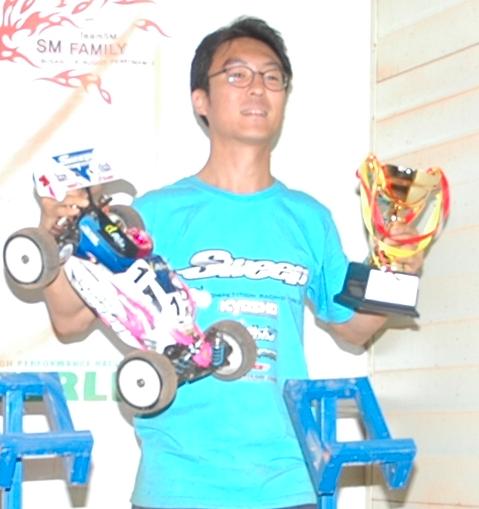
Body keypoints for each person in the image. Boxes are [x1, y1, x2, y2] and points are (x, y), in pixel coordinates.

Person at [38, 16, 423, 509]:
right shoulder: (154, 214)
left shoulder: (309, 218)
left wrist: (401, 261)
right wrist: (57, 233)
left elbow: (352, 327)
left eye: (272, 77)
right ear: (201, 100)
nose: (257, 88)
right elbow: (69, 320)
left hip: (288, 484)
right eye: (237, 74)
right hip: (176, 487)